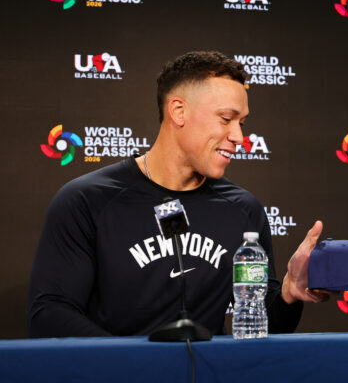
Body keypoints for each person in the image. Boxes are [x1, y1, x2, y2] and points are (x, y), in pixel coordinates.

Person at [27, 51, 326, 337]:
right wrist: (133, 364)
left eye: (242, 123)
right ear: (179, 111)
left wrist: (287, 294)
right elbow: (50, 315)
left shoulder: (244, 210)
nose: (239, 137)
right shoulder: (87, 201)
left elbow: (262, 326)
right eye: (226, 119)